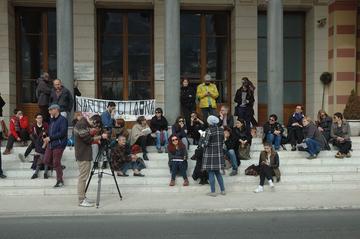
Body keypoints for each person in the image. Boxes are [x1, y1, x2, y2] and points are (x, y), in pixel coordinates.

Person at [74, 114, 108, 207]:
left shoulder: (84, 124)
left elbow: (86, 135)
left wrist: (92, 131)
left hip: (84, 153)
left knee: (84, 177)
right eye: (95, 125)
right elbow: (88, 139)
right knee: (83, 178)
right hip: (83, 154)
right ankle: (81, 200)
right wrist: (101, 137)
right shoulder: (82, 124)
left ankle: (83, 197)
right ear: (94, 121)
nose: (94, 127)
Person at [43, 104, 68, 188]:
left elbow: (62, 133)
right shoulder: (52, 120)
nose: (49, 112)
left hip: (59, 144)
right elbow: (51, 131)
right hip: (51, 143)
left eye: (50, 110)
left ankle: (60, 180)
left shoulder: (63, 120)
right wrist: (46, 134)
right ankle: (59, 167)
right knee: (46, 160)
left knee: (56, 162)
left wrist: (50, 138)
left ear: (56, 110)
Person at [202, 115, 226, 197]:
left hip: (210, 154)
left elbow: (206, 143)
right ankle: (223, 190)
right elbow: (222, 141)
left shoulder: (209, 130)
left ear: (209, 122)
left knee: (211, 172)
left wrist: (202, 138)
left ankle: (213, 192)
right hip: (219, 153)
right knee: (218, 173)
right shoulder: (221, 130)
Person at [28, 113, 49, 179]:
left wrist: (44, 143)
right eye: (38, 118)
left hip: (45, 142)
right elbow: (32, 135)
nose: (40, 119)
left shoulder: (45, 125)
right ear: (36, 119)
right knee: (42, 154)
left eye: (41, 118)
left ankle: (36, 173)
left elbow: (47, 135)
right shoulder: (34, 126)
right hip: (37, 143)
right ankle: (45, 173)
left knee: (42, 155)